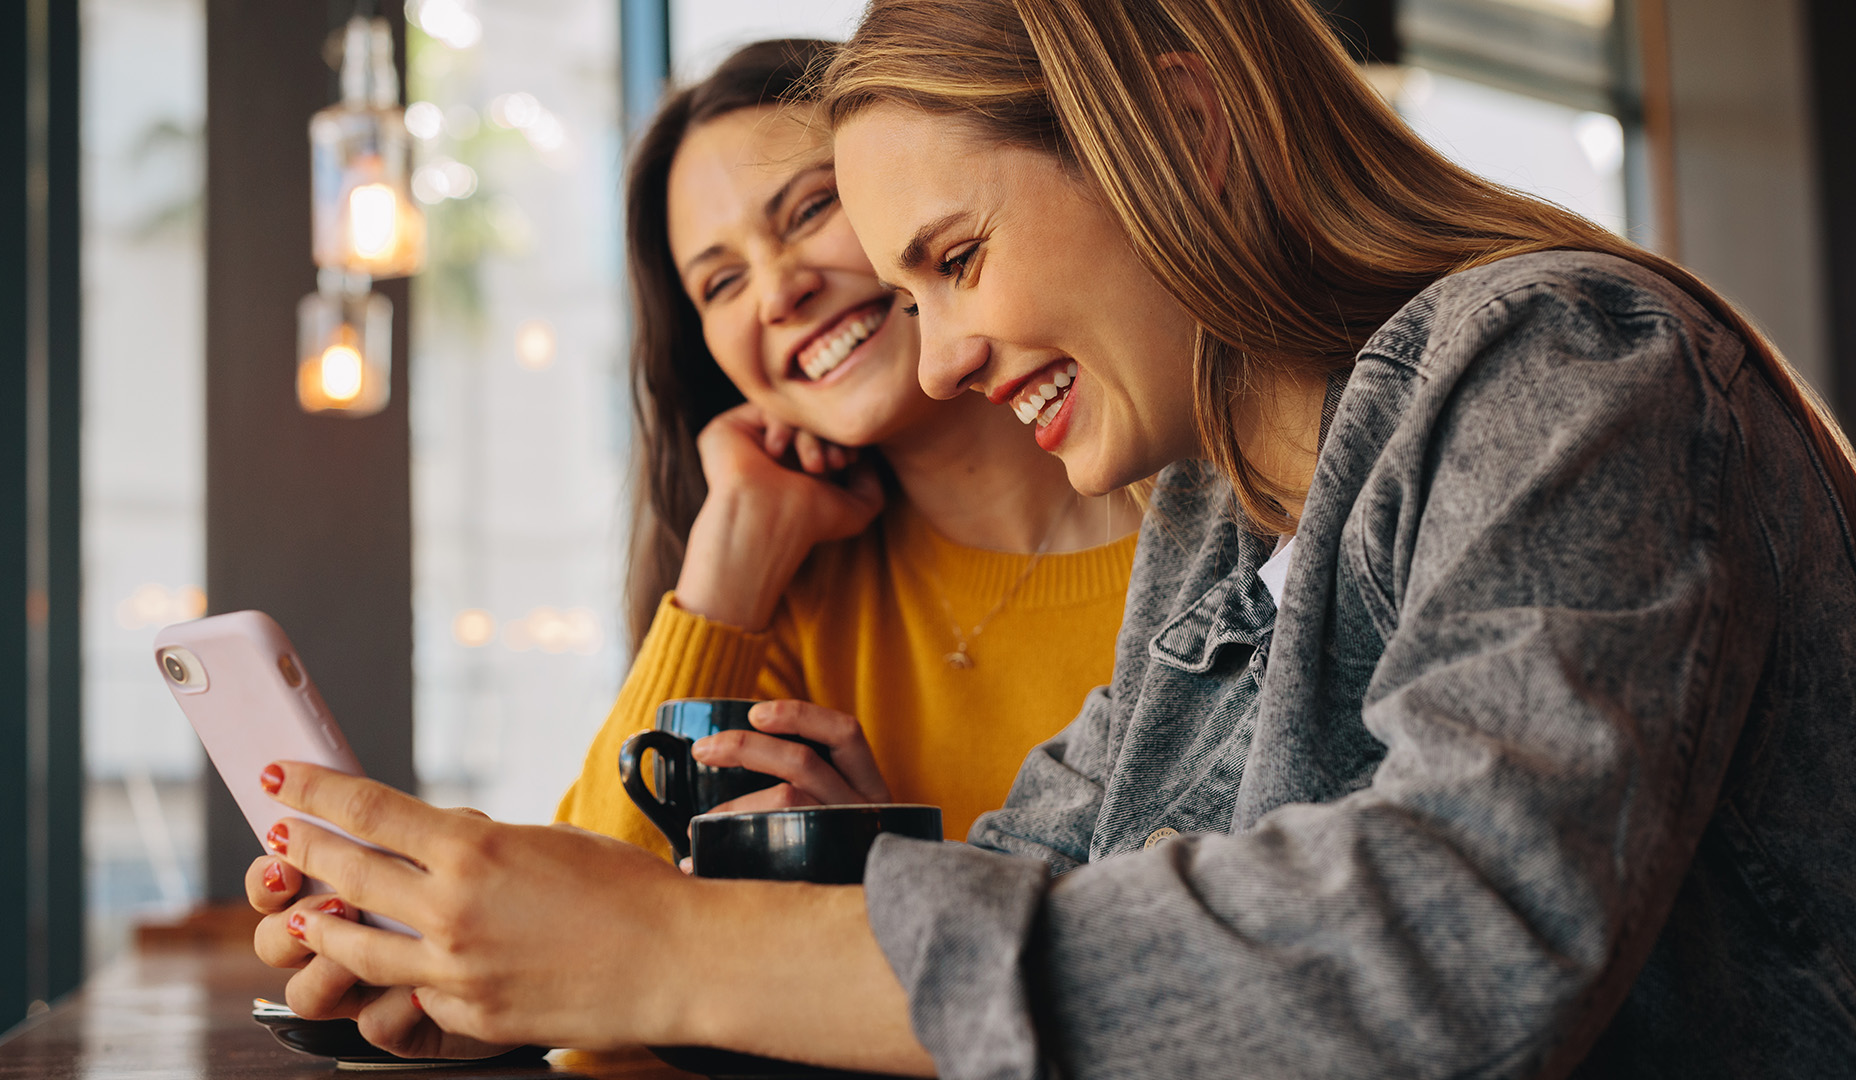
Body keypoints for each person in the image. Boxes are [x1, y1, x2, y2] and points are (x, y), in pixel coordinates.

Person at [244, 1, 1856, 1075]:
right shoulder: (1223, 527)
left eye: (951, 256)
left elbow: (1454, 943)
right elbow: (1030, 870)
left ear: (1183, 129)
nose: (932, 353)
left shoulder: (1564, 362)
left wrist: (664, 947)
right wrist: (501, 972)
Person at [554, 37, 1140, 853]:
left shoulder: (1223, 512)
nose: (779, 290)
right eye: (721, 284)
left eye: (810, 210)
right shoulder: (783, 608)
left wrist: (901, 882)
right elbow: (589, 930)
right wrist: (733, 552)